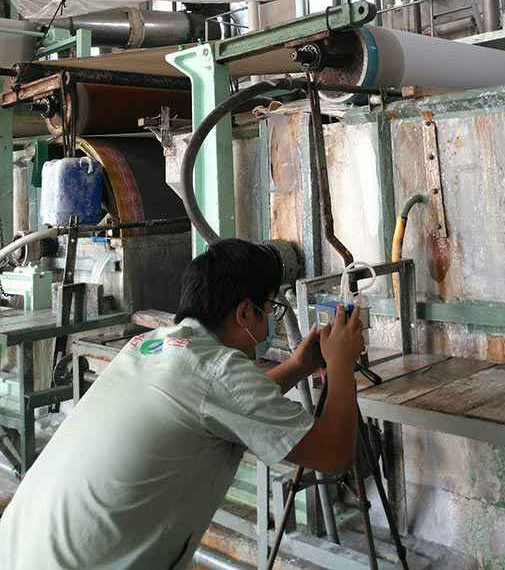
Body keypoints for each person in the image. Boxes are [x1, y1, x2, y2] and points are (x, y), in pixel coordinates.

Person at [0, 238, 364, 569]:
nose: (270, 320)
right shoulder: (218, 372)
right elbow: (332, 453)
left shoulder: (152, 345)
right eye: (269, 309)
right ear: (244, 313)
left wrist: (298, 366)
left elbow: (225, 402)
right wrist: (342, 364)